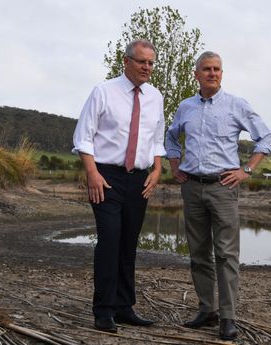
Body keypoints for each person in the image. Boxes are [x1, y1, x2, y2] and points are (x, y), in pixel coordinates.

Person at [165, 51, 271, 340]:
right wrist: (175, 165)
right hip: (192, 187)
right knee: (199, 253)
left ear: (222, 74)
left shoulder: (235, 105)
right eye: (206, 69)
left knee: (226, 254)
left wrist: (246, 170)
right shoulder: (185, 107)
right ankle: (206, 310)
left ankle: (228, 317)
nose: (212, 73)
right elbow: (171, 136)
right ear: (196, 74)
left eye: (217, 69)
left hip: (223, 188)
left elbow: (266, 137)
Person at [72, 39, 165, 333]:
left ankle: (124, 307)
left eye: (151, 63)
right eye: (141, 62)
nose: (147, 67)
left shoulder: (155, 97)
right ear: (126, 61)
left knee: (128, 243)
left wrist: (158, 169)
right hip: (106, 177)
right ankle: (103, 311)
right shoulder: (103, 92)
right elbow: (84, 136)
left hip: (139, 180)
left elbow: (157, 139)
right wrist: (92, 173)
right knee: (110, 240)